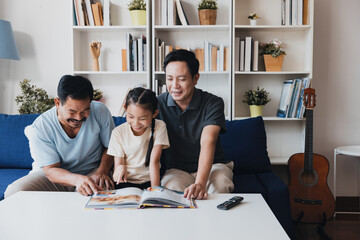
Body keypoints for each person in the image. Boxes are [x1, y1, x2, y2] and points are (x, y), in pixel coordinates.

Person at [4, 75, 115, 198]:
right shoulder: (41, 126)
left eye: (85, 111)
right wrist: (77, 180)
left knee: (92, 196)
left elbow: (111, 146)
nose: (78, 118)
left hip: (92, 172)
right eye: (72, 112)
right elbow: (51, 170)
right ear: (57, 103)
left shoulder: (100, 111)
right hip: (56, 176)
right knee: (13, 192)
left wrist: (102, 171)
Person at [158, 49, 234, 200]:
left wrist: (200, 183)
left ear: (195, 78)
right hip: (176, 170)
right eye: (170, 78)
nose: (174, 85)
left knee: (218, 187)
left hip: (214, 166)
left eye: (181, 79)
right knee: (174, 193)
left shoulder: (213, 103)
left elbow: (208, 140)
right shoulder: (157, 104)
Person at [107, 87, 170, 190]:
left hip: (150, 180)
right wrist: (119, 168)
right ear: (125, 109)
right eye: (131, 117)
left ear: (154, 114)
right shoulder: (118, 132)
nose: (136, 123)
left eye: (143, 119)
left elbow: (154, 162)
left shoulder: (159, 126)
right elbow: (118, 165)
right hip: (125, 181)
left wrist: (155, 190)